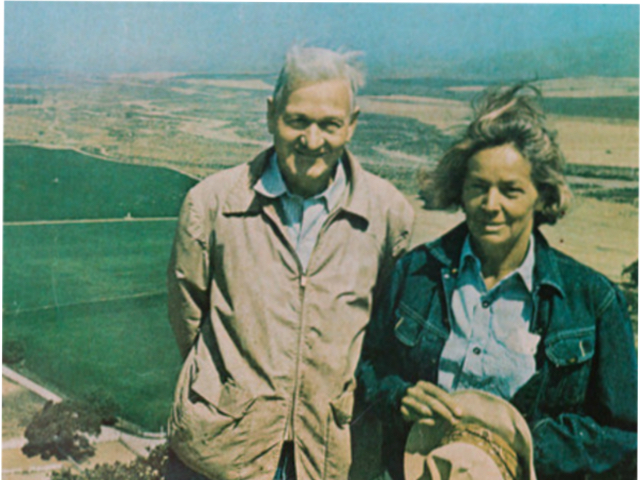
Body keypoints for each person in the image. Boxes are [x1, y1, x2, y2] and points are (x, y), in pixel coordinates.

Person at [357, 84, 637, 480]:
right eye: (478, 187)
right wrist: (399, 395)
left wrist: (524, 442)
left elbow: (625, 433)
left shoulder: (592, 300)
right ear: (460, 190)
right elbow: (368, 367)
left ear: (541, 196)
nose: (491, 205)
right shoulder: (416, 273)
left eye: (511, 190)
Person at [165, 45, 414, 480]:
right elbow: (188, 317)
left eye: (330, 125)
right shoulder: (211, 205)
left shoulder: (388, 215)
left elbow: (383, 334)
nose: (312, 140)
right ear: (270, 114)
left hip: (329, 454)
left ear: (351, 125)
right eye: (297, 120)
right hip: (221, 453)